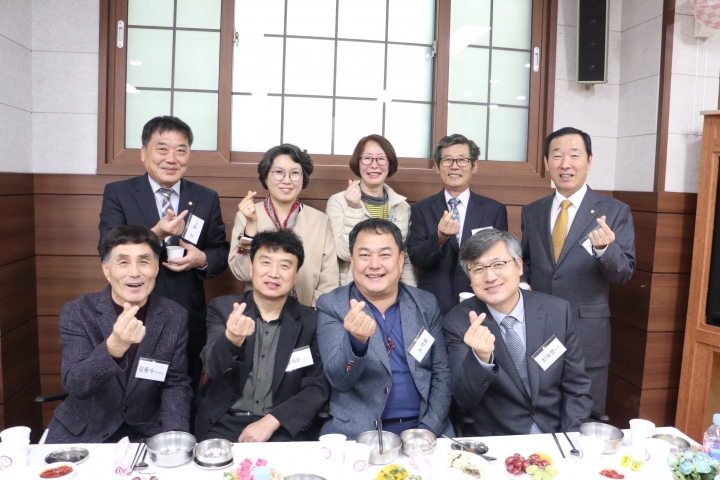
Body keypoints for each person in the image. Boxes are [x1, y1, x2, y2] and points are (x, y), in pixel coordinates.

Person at [98, 116, 230, 392]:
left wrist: (201, 259)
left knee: (183, 387)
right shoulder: (119, 193)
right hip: (133, 309)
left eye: (181, 150)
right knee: (132, 387)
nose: (172, 158)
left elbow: (220, 250)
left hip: (187, 312)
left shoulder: (206, 197)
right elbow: (107, 247)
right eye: (162, 149)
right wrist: (155, 234)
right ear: (143, 153)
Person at [520, 127, 636, 414]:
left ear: (589, 160)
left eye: (574, 155)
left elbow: (624, 273)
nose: (565, 164)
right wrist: (522, 282)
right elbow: (526, 260)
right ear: (546, 162)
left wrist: (605, 249)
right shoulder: (532, 211)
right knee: (541, 407)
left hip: (587, 331)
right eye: (556, 156)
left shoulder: (615, 210)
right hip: (539, 326)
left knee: (585, 412)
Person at [46, 225, 192, 443]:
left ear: (156, 267)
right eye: (123, 262)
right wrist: (113, 348)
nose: (134, 272)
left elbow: (176, 384)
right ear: (106, 269)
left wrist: (174, 436)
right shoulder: (78, 312)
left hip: (144, 434)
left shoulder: (174, 316)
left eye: (144, 261)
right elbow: (76, 384)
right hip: (85, 432)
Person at [443, 229, 592, 436]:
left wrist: (571, 439)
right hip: (499, 439)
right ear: (470, 278)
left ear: (519, 265)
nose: (490, 276)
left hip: (555, 434)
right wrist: (480, 358)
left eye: (498, 264)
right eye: (478, 269)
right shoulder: (458, 322)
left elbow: (577, 387)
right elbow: (463, 399)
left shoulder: (557, 311)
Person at [316, 218, 453, 438]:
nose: (374, 264)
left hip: (424, 427)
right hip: (359, 433)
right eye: (364, 255)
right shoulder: (333, 305)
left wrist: (429, 428)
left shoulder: (425, 304)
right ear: (352, 259)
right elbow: (339, 380)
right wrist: (356, 342)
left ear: (400, 259)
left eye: (384, 255)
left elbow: (442, 374)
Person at [196, 231, 329, 442]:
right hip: (224, 423)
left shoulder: (312, 321)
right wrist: (231, 339)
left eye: (284, 266)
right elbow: (212, 367)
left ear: (295, 276)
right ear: (251, 268)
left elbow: (317, 387)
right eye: (265, 262)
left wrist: (273, 420)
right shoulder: (224, 309)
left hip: (282, 427)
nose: (274, 273)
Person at [407, 134, 508, 316]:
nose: (454, 166)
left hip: (481, 302)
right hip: (434, 304)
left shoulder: (494, 210)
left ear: (474, 166)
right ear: (437, 166)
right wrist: (440, 238)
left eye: (462, 160)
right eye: (447, 160)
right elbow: (417, 258)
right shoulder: (421, 209)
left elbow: (501, 260)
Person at [230, 144, 339, 307]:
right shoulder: (247, 215)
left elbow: (329, 280)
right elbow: (242, 271)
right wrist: (251, 226)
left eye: (294, 173)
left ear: (303, 178)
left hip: (308, 312)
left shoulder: (320, 220)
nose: (287, 180)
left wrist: (311, 313)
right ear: (265, 177)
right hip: (257, 312)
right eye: (279, 172)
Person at [326, 134, 416, 286]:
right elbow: (345, 253)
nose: (374, 165)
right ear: (358, 162)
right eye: (367, 158)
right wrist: (353, 208)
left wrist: (411, 293)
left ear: (390, 163)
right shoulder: (338, 202)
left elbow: (404, 259)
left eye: (381, 158)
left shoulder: (402, 206)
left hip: (391, 290)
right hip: (352, 289)